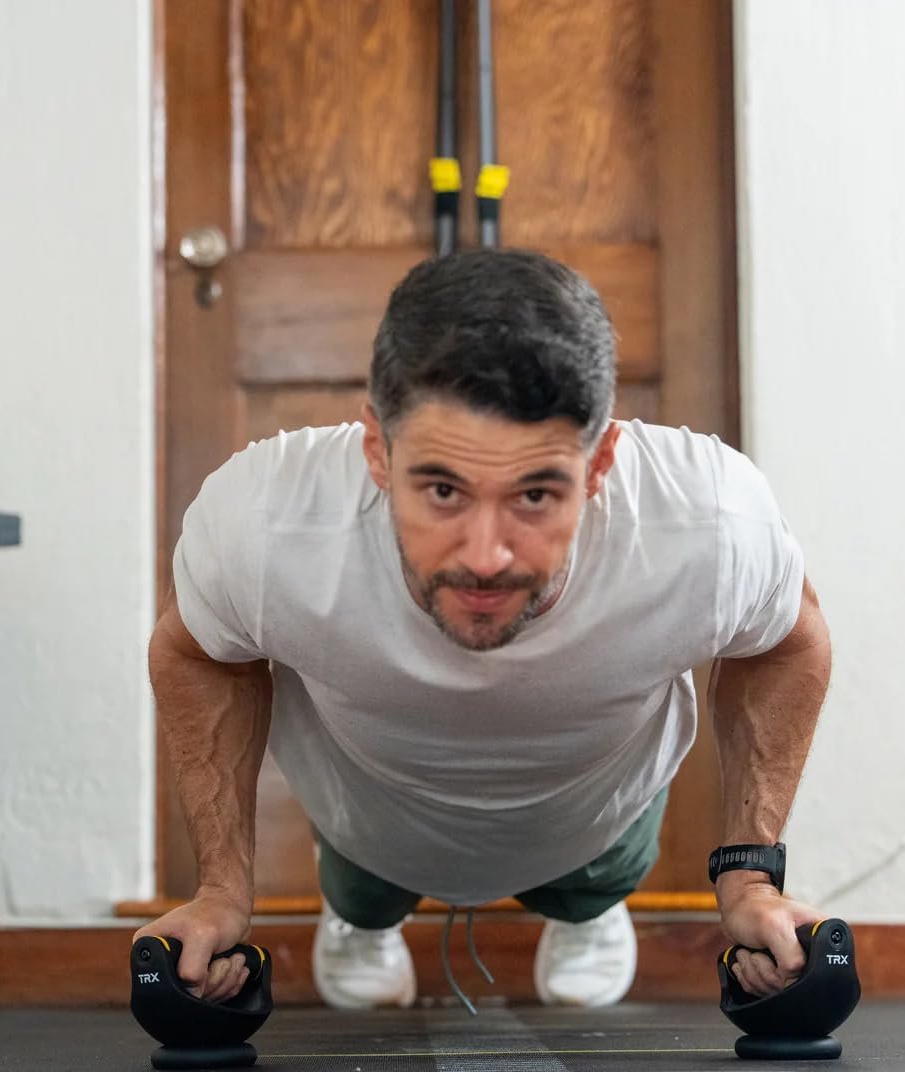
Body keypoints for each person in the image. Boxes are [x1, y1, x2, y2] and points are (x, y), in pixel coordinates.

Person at [134, 248, 831, 1012]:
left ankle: (589, 910)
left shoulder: (711, 521)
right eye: (443, 490)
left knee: (595, 878)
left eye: (534, 495)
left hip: (594, 810)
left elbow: (788, 643)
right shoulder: (265, 525)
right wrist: (222, 890)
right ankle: (361, 918)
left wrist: (750, 876)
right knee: (365, 888)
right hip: (371, 810)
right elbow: (194, 653)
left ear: (600, 463)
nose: (486, 556)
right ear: (377, 451)